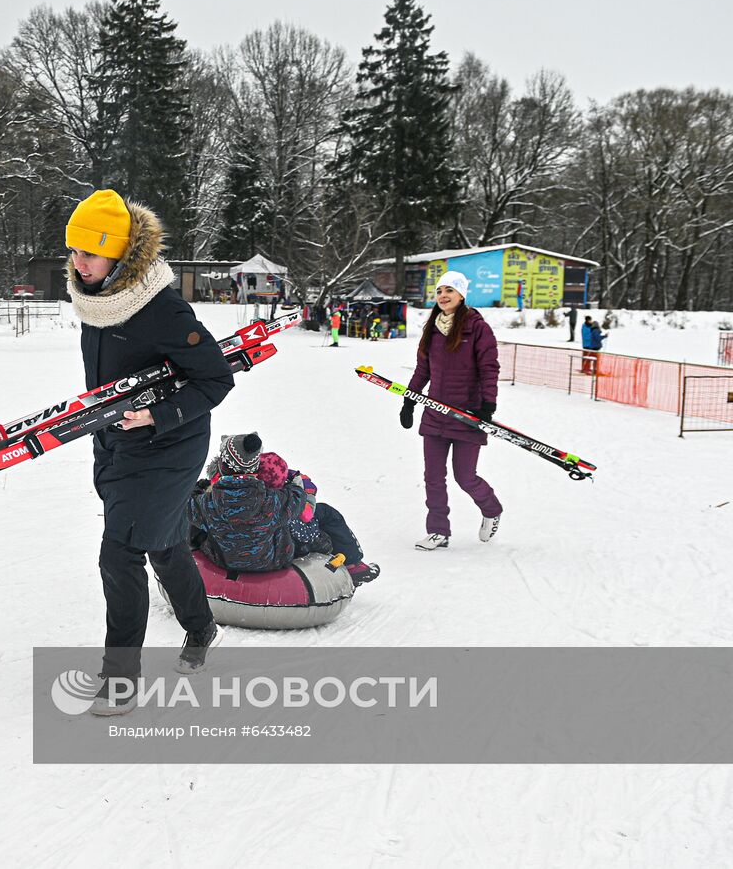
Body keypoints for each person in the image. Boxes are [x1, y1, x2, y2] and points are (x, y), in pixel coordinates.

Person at [65, 188, 234, 715]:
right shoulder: (98, 299)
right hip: (117, 441)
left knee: (120, 552)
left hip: (169, 444)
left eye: (89, 253)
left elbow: (215, 379)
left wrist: (158, 415)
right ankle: (202, 628)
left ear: (117, 254)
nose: (78, 263)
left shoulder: (159, 306)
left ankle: (121, 680)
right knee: (163, 544)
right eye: (73, 251)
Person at [190, 433, 378, 585]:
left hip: (223, 560)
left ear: (222, 466)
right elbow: (299, 496)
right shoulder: (275, 501)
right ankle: (353, 564)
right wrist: (290, 481)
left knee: (191, 525)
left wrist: (200, 487)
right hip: (272, 561)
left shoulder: (205, 503)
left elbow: (186, 505)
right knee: (323, 514)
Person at [401, 271, 502, 550]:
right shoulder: (432, 329)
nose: (443, 296)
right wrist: (409, 400)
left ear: (461, 295)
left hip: (467, 414)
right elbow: (423, 370)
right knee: (432, 477)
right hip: (435, 413)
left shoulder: (477, 328)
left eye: (449, 291)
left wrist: (488, 405)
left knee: (465, 476)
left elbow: (489, 368)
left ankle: (492, 509)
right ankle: (438, 531)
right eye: (439, 291)